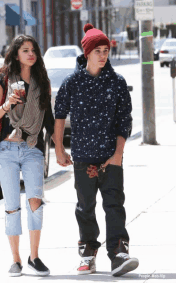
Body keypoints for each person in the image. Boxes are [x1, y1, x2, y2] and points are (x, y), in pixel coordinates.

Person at [54, 23, 139, 277]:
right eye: (98, 51)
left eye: (106, 50)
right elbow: (59, 115)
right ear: (87, 53)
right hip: (82, 158)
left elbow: (125, 120)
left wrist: (118, 154)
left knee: (114, 205)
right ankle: (88, 255)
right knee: (85, 208)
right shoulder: (72, 83)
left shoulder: (117, 82)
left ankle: (119, 254)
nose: (103, 55)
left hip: (110, 157)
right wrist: (59, 148)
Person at [0, 34, 57, 277]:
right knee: (11, 206)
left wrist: (58, 148)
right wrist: (8, 104)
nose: (31, 54)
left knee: (36, 202)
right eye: (25, 50)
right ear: (16, 53)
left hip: (32, 148)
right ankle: (16, 260)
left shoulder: (42, 81)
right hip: (7, 150)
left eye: (33, 50)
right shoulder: (4, 78)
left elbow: (48, 119)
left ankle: (34, 257)